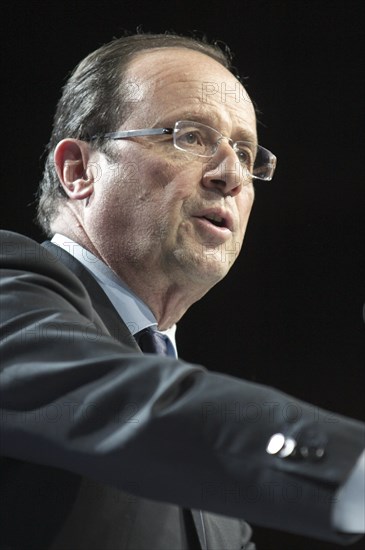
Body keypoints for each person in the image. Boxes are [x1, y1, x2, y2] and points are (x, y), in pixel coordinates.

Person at [0, 33, 364, 550]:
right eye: (190, 137)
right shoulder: (7, 286)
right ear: (79, 171)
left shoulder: (223, 502)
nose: (231, 175)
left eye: (245, 152)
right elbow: (126, 401)